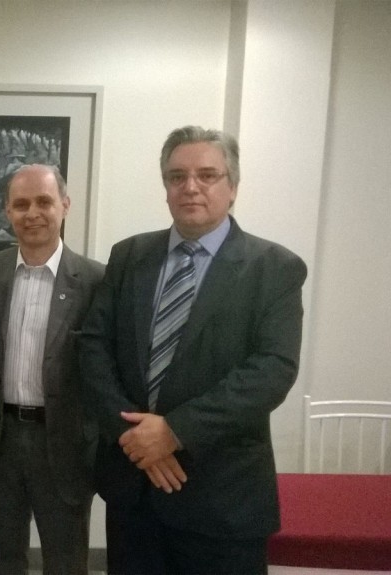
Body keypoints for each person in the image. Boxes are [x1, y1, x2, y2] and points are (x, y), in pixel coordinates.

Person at [80, 126, 308, 574]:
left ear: (233, 186)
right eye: (176, 176)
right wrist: (133, 436)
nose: (190, 187)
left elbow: (272, 370)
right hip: (134, 491)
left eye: (207, 175)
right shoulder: (128, 256)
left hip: (223, 499)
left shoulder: (274, 268)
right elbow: (93, 347)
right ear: (165, 186)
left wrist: (173, 431)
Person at [0, 164, 104, 574]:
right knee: (3, 560)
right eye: (21, 204)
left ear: (65, 205)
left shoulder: (95, 279)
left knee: (66, 563)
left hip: (64, 444)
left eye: (44, 202)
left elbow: (104, 369)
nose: (33, 213)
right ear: (7, 210)